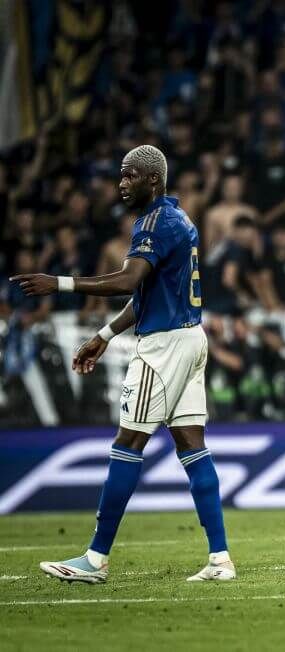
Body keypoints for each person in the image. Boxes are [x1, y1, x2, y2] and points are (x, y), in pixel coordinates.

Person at [12, 145, 234, 582]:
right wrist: (105, 335)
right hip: (190, 337)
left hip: (164, 346)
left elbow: (128, 280)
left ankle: (95, 560)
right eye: (121, 175)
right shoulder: (177, 219)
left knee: (127, 443)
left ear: (153, 179)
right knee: (192, 445)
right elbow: (146, 295)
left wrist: (58, 283)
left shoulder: (153, 223)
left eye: (130, 175)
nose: (122, 183)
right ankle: (220, 559)